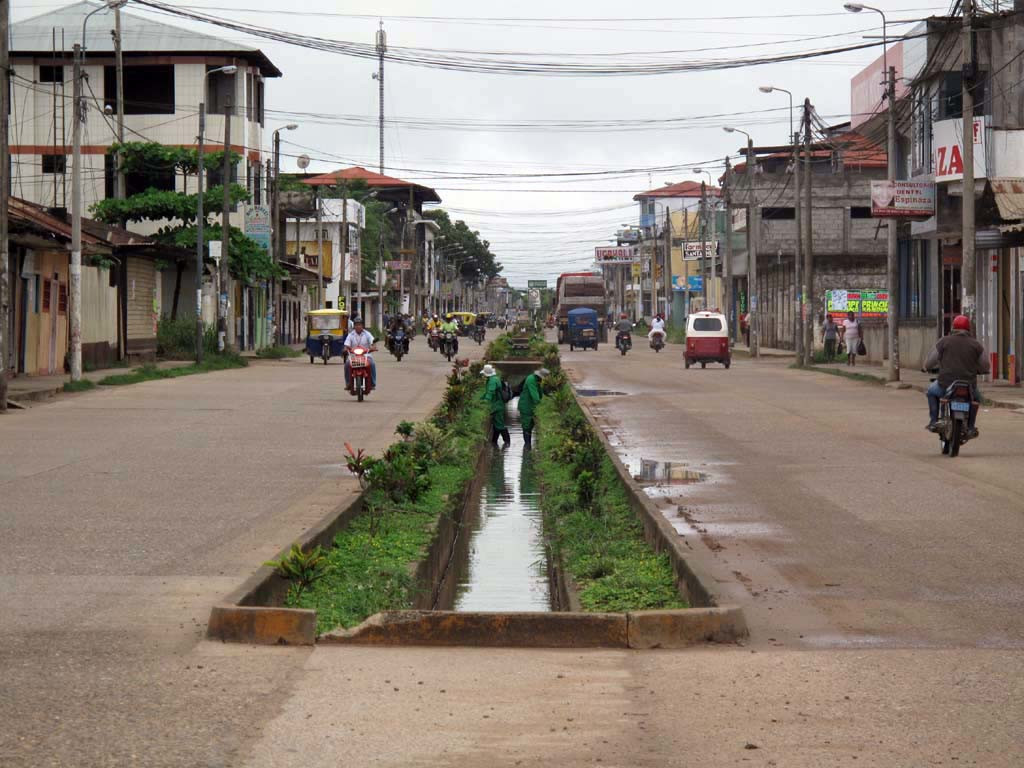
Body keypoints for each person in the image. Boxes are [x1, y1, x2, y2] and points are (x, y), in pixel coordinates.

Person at [923, 314, 989, 437]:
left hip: (945, 384)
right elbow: (985, 366)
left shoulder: (944, 341)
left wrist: (926, 367)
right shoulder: (976, 345)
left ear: (953, 328)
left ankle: (933, 422)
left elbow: (930, 361)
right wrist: (981, 370)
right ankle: (970, 427)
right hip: (969, 386)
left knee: (931, 392)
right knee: (976, 399)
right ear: (968, 329)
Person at [343, 316, 377, 391]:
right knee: (347, 364)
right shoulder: (351, 335)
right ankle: (348, 383)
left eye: (360, 324)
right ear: (354, 326)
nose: (358, 326)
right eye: (356, 325)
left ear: (362, 326)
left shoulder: (367, 334)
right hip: (353, 356)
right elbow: (347, 345)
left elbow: (372, 342)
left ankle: (372, 383)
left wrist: (373, 347)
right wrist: (345, 349)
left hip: (366, 355)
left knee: (371, 364)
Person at [517, 367, 548, 449]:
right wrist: (541, 405)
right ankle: (527, 445)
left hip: (532, 406)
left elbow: (540, 392)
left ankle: (528, 445)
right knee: (526, 426)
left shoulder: (537, 380)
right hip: (526, 406)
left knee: (530, 426)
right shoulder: (531, 380)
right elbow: (534, 395)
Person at [481, 364, 510, 446]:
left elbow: (490, 393)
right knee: (496, 424)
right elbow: (487, 393)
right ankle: (494, 442)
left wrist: (485, 402)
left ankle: (507, 442)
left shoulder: (492, 381)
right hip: (497, 405)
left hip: (497, 406)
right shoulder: (494, 378)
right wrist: (481, 399)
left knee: (500, 424)